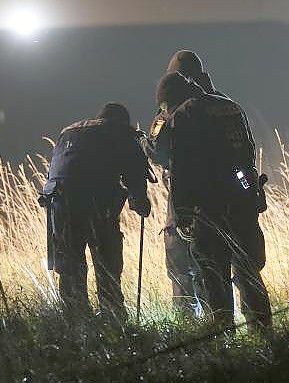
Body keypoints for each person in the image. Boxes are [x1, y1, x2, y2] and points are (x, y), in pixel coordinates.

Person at [154, 72, 271, 330]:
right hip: (242, 200)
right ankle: (262, 332)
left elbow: (181, 167)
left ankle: (221, 334)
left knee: (213, 273)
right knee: (248, 270)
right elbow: (249, 151)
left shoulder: (185, 113)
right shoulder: (229, 105)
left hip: (208, 207)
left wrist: (183, 212)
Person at [144, 50, 233, 317]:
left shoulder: (173, 107)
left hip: (184, 194)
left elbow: (157, 149)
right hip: (227, 196)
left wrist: (144, 141)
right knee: (217, 262)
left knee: (180, 259)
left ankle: (188, 325)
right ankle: (219, 321)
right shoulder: (223, 103)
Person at [42, 103, 151, 322]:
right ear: (121, 120)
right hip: (96, 202)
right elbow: (136, 171)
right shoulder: (120, 131)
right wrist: (139, 201)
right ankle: (113, 321)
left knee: (71, 268)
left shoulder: (69, 132)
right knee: (107, 263)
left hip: (59, 204)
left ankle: (75, 323)